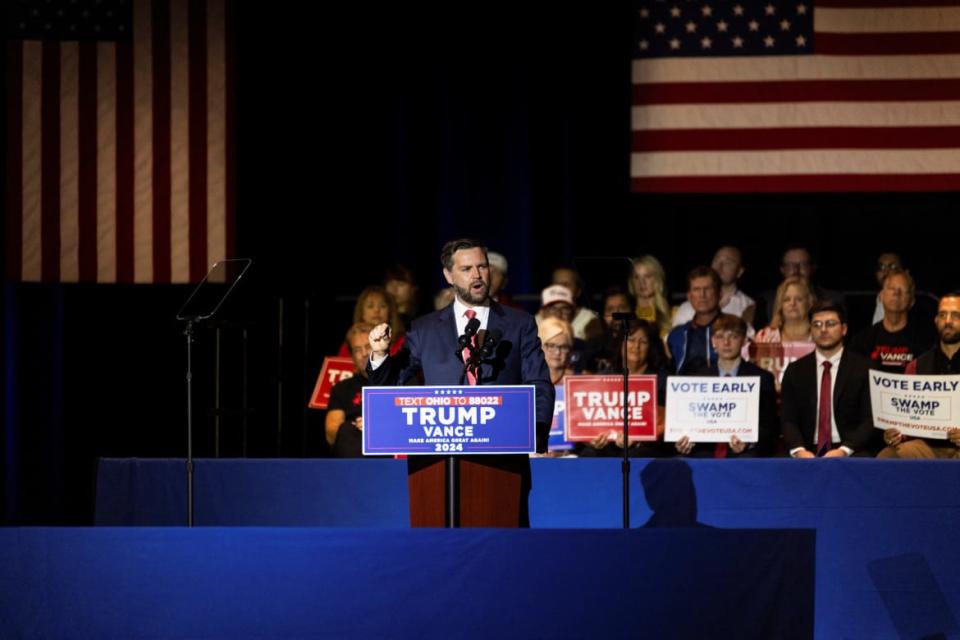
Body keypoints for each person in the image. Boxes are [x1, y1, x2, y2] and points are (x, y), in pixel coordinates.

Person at [366, 238, 555, 526]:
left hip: (502, 463)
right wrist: (380, 355)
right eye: (467, 268)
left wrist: (535, 432)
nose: (477, 275)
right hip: (435, 466)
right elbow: (392, 384)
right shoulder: (424, 328)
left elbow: (539, 382)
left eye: (482, 266)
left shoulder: (519, 324)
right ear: (449, 275)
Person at [780, 300, 876, 458]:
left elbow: (869, 420)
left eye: (830, 324)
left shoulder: (864, 368)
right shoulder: (795, 371)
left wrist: (844, 450)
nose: (823, 329)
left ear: (844, 329)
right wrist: (799, 450)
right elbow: (788, 420)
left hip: (851, 449)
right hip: (806, 450)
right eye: (817, 325)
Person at [674, 314, 778, 458]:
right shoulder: (697, 379)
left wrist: (748, 442)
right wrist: (683, 440)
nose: (726, 343)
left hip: (745, 452)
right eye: (720, 337)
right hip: (705, 449)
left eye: (733, 337)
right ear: (713, 342)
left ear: (743, 341)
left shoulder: (762, 378)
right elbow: (688, 422)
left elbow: (769, 425)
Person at [878, 292, 960, 459]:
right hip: (927, 447)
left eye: (956, 315)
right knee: (887, 456)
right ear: (936, 320)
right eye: (942, 315)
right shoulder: (917, 365)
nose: (948, 321)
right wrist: (896, 434)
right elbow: (908, 418)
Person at [580, 316, 669, 458]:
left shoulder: (661, 379)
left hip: (647, 445)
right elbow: (593, 418)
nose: (636, 346)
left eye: (643, 341)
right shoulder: (606, 375)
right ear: (621, 344)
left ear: (650, 347)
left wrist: (639, 438)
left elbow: (666, 421)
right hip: (610, 443)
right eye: (631, 340)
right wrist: (594, 439)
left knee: (636, 454)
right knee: (589, 453)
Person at [848, 270, 935, 373]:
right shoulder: (862, 340)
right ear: (881, 296)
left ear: (912, 301)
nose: (896, 293)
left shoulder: (926, 341)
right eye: (891, 288)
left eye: (903, 290)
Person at [745, 276, 816, 389]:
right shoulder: (765, 337)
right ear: (780, 305)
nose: (792, 303)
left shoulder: (819, 336)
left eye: (798, 299)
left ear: (809, 303)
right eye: (786, 299)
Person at [754, 246, 844, 329]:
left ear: (813, 267)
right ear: (782, 269)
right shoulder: (767, 300)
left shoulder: (833, 299)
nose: (796, 270)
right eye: (790, 265)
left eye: (803, 264)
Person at [672, 246, 756, 328]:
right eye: (716, 260)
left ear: (739, 271)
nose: (719, 266)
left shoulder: (748, 306)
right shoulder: (687, 307)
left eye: (728, 262)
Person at [325, 323, 374, 458]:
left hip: (390, 445)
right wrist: (355, 427)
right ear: (352, 356)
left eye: (368, 347)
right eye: (357, 350)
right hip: (354, 445)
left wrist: (374, 426)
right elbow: (331, 433)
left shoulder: (400, 380)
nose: (364, 354)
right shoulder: (341, 389)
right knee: (346, 430)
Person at [666, 266, 722, 375]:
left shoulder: (734, 331)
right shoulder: (676, 335)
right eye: (696, 289)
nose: (702, 295)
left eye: (708, 288)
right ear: (689, 296)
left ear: (719, 294)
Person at [338, 286, 405, 357]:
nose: (376, 310)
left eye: (382, 306)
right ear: (362, 313)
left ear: (390, 313)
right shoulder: (350, 344)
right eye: (370, 306)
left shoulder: (402, 343)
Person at [550, 266, 602, 341]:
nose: (560, 289)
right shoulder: (538, 319)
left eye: (566, 284)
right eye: (557, 284)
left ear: (578, 291)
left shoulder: (590, 319)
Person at [628, 255, 673, 337]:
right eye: (636, 277)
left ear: (657, 279)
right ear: (631, 281)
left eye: (647, 276)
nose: (642, 282)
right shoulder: (627, 316)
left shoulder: (673, 314)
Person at [383, 264, 419, 332]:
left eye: (400, 284)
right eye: (390, 283)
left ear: (413, 289)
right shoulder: (381, 318)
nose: (394, 289)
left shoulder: (420, 320)